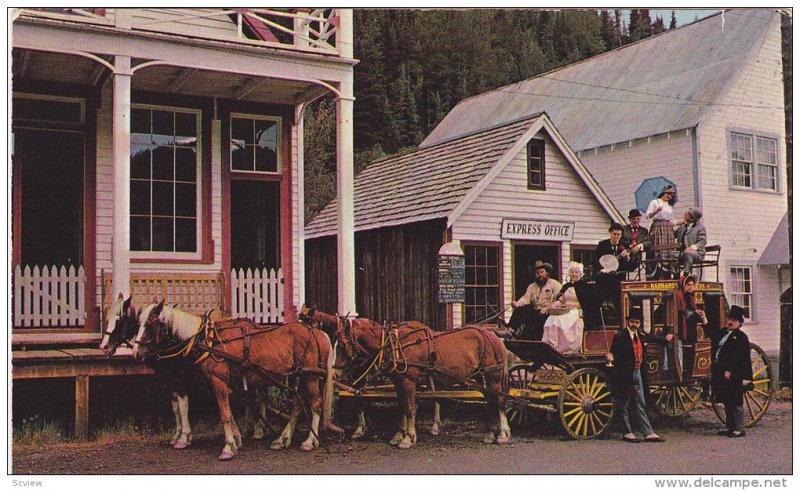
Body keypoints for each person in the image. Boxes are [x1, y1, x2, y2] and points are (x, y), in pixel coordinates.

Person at [606, 306, 673, 443]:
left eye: (637, 322)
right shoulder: (620, 336)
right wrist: (610, 356)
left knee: (641, 402)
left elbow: (652, 338)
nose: (634, 325)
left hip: (638, 372)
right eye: (632, 322)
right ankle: (627, 432)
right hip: (625, 373)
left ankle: (648, 432)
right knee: (624, 402)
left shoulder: (640, 335)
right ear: (628, 322)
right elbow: (613, 352)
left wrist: (665, 339)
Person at [711, 305, 753, 438]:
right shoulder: (724, 332)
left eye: (734, 320)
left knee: (736, 400)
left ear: (739, 323)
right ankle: (730, 427)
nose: (730, 322)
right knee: (727, 400)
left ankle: (740, 429)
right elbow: (712, 335)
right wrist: (704, 318)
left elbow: (737, 356)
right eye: (729, 319)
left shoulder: (741, 337)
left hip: (736, 372)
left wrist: (729, 369)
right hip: (722, 371)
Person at [541, 262, 585, 354]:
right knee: (552, 318)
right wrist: (551, 306)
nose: (574, 274)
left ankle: (565, 348)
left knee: (562, 320)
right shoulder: (566, 286)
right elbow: (560, 300)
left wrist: (572, 305)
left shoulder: (584, 286)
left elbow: (586, 303)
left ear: (580, 274)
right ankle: (552, 346)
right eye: (572, 272)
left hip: (576, 310)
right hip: (565, 309)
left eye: (576, 272)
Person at [511, 261, 561, 341]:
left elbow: (559, 300)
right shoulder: (532, 286)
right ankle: (510, 330)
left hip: (549, 313)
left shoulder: (555, 284)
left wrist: (547, 308)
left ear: (546, 273)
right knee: (519, 310)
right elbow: (525, 298)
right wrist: (517, 303)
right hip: (537, 311)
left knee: (537, 325)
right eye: (537, 273)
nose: (540, 274)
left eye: (542, 272)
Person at [593, 223, 630, 321]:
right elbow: (595, 260)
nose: (616, 237)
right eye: (614, 234)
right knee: (601, 277)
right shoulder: (602, 244)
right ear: (610, 233)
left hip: (617, 275)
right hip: (603, 274)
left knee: (615, 277)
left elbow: (628, 265)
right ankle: (604, 301)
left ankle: (614, 306)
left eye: (618, 235)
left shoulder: (624, 246)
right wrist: (602, 269)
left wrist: (626, 258)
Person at [672, 274, 708, 372]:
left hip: (689, 328)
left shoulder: (691, 297)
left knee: (691, 348)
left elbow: (691, 308)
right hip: (681, 327)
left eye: (692, 285)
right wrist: (694, 313)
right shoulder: (679, 295)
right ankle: (682, 370)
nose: (691, 287)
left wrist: (697, 312)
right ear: (684, 285)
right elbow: (681, 311)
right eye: (688, 285)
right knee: (682, 349)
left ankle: (690, 370)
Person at [645, 185, 680, 279]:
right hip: (658, 227)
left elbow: (672, 221)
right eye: (669, 194)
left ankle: (667, 275)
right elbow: (648, 215)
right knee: (658, 250)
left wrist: (684, 221)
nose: (670, 196)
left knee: (668, 252)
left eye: (672, 195)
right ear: (664, 192)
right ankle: (657, 274)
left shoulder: (669, 206)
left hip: (668, 230)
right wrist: (656, 211)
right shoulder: (655, 202)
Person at [674, 207, 707, 277]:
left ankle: (685, 274)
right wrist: (675, 224)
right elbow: (672, 234)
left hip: (696, 254)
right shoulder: (681, 227)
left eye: (688, 214)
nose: (685, 214)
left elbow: (702, 241)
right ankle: (675, 274)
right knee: (671, 255)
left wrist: (693, 247)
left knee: (688, 253)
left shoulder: (700, 228)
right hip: (682, 253)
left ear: (692, 219)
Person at [622, 209, 652, 274]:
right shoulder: (624, 229)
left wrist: (640, 246)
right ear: (629, 220)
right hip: (624, 257)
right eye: (633, 219)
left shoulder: (644, 231)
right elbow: (620, 242)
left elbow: (648, 242)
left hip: (637, 259)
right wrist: (626, 248)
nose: (636, 221)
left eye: (637, 218)